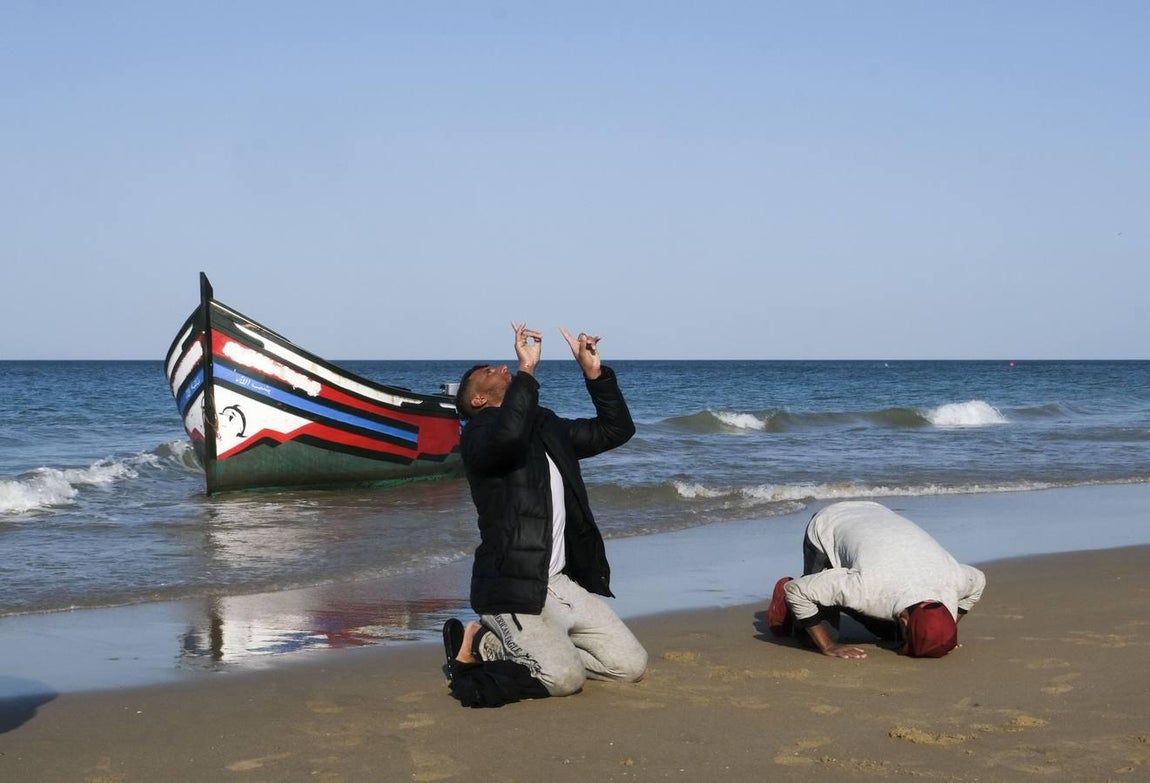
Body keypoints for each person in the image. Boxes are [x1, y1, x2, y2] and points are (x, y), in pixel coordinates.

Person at [442, 321, 648, 707]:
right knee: (564, 678)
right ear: (478, 400)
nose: (502, 367)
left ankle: (543, 648)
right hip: (511, 588)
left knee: (629, 666)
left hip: (559, 584)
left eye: (502, 366)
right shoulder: (478, 436)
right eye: (489, 372)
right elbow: (509, 436)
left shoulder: (545, 426)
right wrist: (526, 370)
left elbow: (616, 430)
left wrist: (594, 374)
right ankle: (485, 643)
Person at [767, 500, 986, 659]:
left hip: (877, 517)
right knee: (814, 637)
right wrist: (828, 646)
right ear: (904, 622)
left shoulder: (954, 580)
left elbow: (979, 581)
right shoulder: (867, 588)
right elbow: (797, 590)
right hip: (830, 522)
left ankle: (836, 594)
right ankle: (784, 598)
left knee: (892, 635)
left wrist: (941, 634)